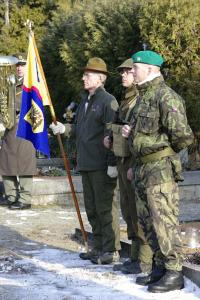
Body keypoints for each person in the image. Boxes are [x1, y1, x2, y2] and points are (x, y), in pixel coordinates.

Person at [122, 50, 194, 293]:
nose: (132, 71)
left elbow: (184, 137)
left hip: (160, 171)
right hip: (142, 169)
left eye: (135, 67)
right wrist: (134, 159)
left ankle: (174, 272)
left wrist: (153, 149)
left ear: (151, 69)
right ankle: (159, 267)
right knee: (148, 222)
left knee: (164, 220)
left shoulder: (166, 96)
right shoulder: (143, 98)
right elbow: (141, 135)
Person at [50, 57, 121, 264]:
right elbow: (81, 129)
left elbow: (112, 134)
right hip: (87, 163)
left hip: (101, 165)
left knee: (105, 208)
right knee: (91, 209)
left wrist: (111, 163)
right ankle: (97, 246)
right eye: (84, 74)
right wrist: (65, 128)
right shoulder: (85, 101)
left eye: (87, 75)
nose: (83, 78)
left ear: (100, 78)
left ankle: (111, 249)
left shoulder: (108, 101)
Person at [104, 58, 153, 275]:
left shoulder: (139, 100)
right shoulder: (126, 100)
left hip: (134, 161)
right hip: (122, 159)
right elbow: (115, 125)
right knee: (127, 208)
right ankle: (134, 255)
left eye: (128, 71)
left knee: (138, 209)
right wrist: (109, 136)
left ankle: (144, 259)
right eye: (123, 72)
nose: (124, 75)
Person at [0, 53, 37, 209]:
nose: (20, 68)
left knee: (24, 164)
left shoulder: (31, 87)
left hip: (24, 130)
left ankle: (24, 198)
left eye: (22, 65)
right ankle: (11, 195)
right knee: (6, 163)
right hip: (9, 130)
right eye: (17, 65)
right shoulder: (8, 84)